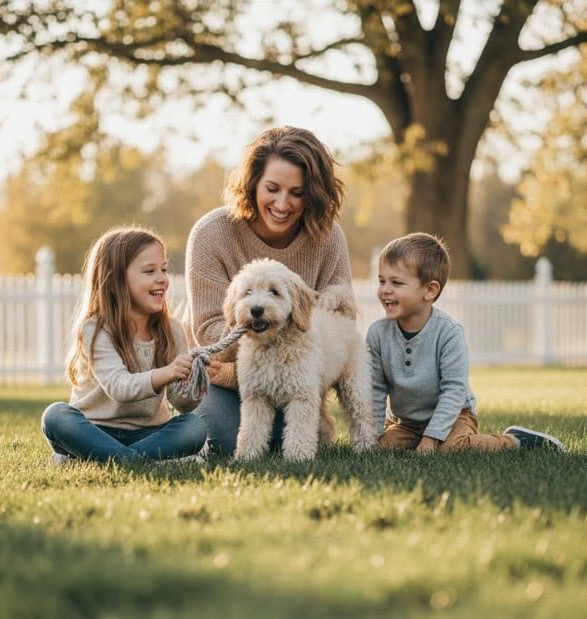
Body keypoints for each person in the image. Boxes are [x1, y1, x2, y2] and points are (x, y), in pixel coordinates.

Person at [185, 125, 354, 454]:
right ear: (253, 185)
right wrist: (248, 369)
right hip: (227, 373)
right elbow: (208, 331)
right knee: (219, 437)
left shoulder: (329, 237)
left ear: (314, 193)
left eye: (297, 192)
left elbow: (341, 318)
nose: (282, 203)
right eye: (272, 188)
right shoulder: (211, 234)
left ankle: (310, 422)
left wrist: (292, 362)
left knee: (290, 432)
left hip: (302, 370)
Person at [368, 233, 565, 453]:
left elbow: (454, 390)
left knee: (450, 448)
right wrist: (372, 437)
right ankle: (415, 440)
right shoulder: (377, 334)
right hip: (408, 421)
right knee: (384, 448)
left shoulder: (448, 332)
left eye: (396, 282)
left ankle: (515, 441)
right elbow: (375, 389)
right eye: (381, 280)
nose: (385, 289)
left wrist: (431, 439)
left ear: (430, 290)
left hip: (455, 415)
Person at [42, 227, 207, 462]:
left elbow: (181, 403)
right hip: (95, 430)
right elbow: (120, 388)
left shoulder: (172, 330)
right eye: (149, 271)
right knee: (56, 416)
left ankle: (102, 460)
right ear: (116, 279)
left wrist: (192, 384)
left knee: (194, 427)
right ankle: (145, 462)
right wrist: (167, 372)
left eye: (163, 269)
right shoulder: (96, 329)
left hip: (149, 433)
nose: (161, 278)